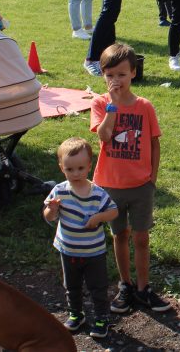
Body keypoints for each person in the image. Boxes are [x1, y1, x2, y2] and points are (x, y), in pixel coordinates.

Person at [89, 43, 171, 314]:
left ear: (133, 73)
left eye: (122, 75)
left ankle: (143, 287)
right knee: (119, 235)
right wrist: (113, 108)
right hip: (110, 185)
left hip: (140, 186)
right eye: (110, 75)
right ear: (102, 75)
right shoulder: (100, 103)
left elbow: (154, 143)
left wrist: (152, 179)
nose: (116, 81)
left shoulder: (145, 106)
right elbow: (103, 136)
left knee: (141, 237)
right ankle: (125, 284)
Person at [43, 137, 118, 339]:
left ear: (89, 167)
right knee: (72, 286)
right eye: (70, 169)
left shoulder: (97, 193)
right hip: (68, 250)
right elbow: (48, 217)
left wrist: (98, 217)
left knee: (97, 287)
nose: (75, 173)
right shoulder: (59, 191)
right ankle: (76, 314)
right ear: (61, 168)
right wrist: (52, 209)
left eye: (80, 168)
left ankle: (102, 317)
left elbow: (113, 212)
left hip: (94, 252)